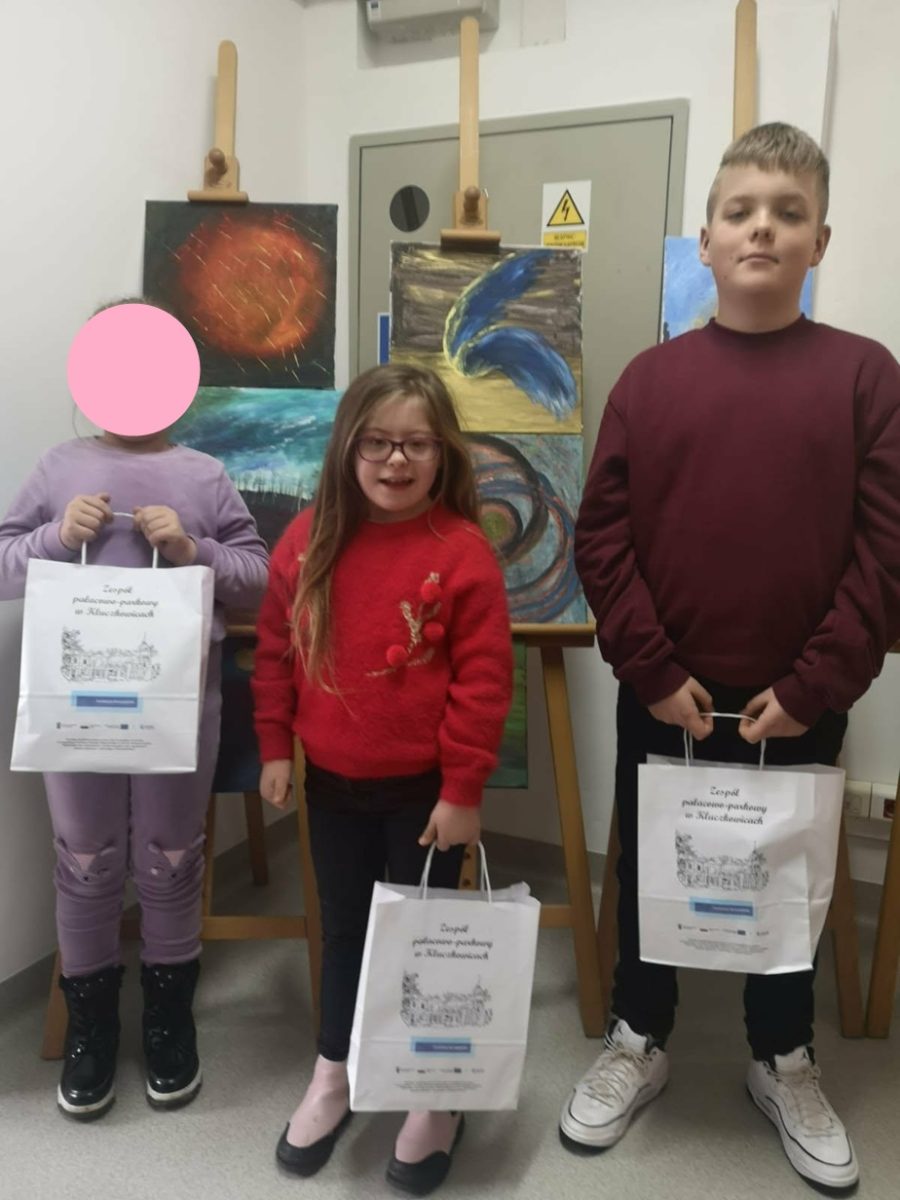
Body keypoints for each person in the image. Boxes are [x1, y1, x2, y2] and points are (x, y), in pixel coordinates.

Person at [562, 123, 900, 1190]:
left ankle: (782, 1057)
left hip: (801, 697)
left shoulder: (865, 377)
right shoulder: (650, 380)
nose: (763, 228)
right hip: (669, 689)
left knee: (784, 882)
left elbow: (887, 548)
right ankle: (639, 1036)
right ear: (703, 240)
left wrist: (813, 686)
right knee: (652, 866)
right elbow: (601, 537)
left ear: (820, 241)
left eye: (788, 213)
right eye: (741, 211)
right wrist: (653, 669)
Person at [0, 301, 269, 1120]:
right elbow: (4, 562)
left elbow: (259, 579)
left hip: (178, 706)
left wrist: (193, 550)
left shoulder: (204, 475)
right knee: (84, 857)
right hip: (75, 702)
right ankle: (90, 1027)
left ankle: (167, 1020)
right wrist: (53, 539)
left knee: (172, 855)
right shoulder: (58, 467)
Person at [252, 362, 512, 1195]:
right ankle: (334, 1072)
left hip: (426, 796)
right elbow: (274, 653)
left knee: (427, 944)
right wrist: (273, 747)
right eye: (377, 443)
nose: (396, 461)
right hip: (332, 786)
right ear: (348, 448)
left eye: (416, 444)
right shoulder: (309, 540)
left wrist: (463, 791)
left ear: (443, 454)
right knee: (346, 933)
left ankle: (435, 1095)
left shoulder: (462, 552)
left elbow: (483, 683)